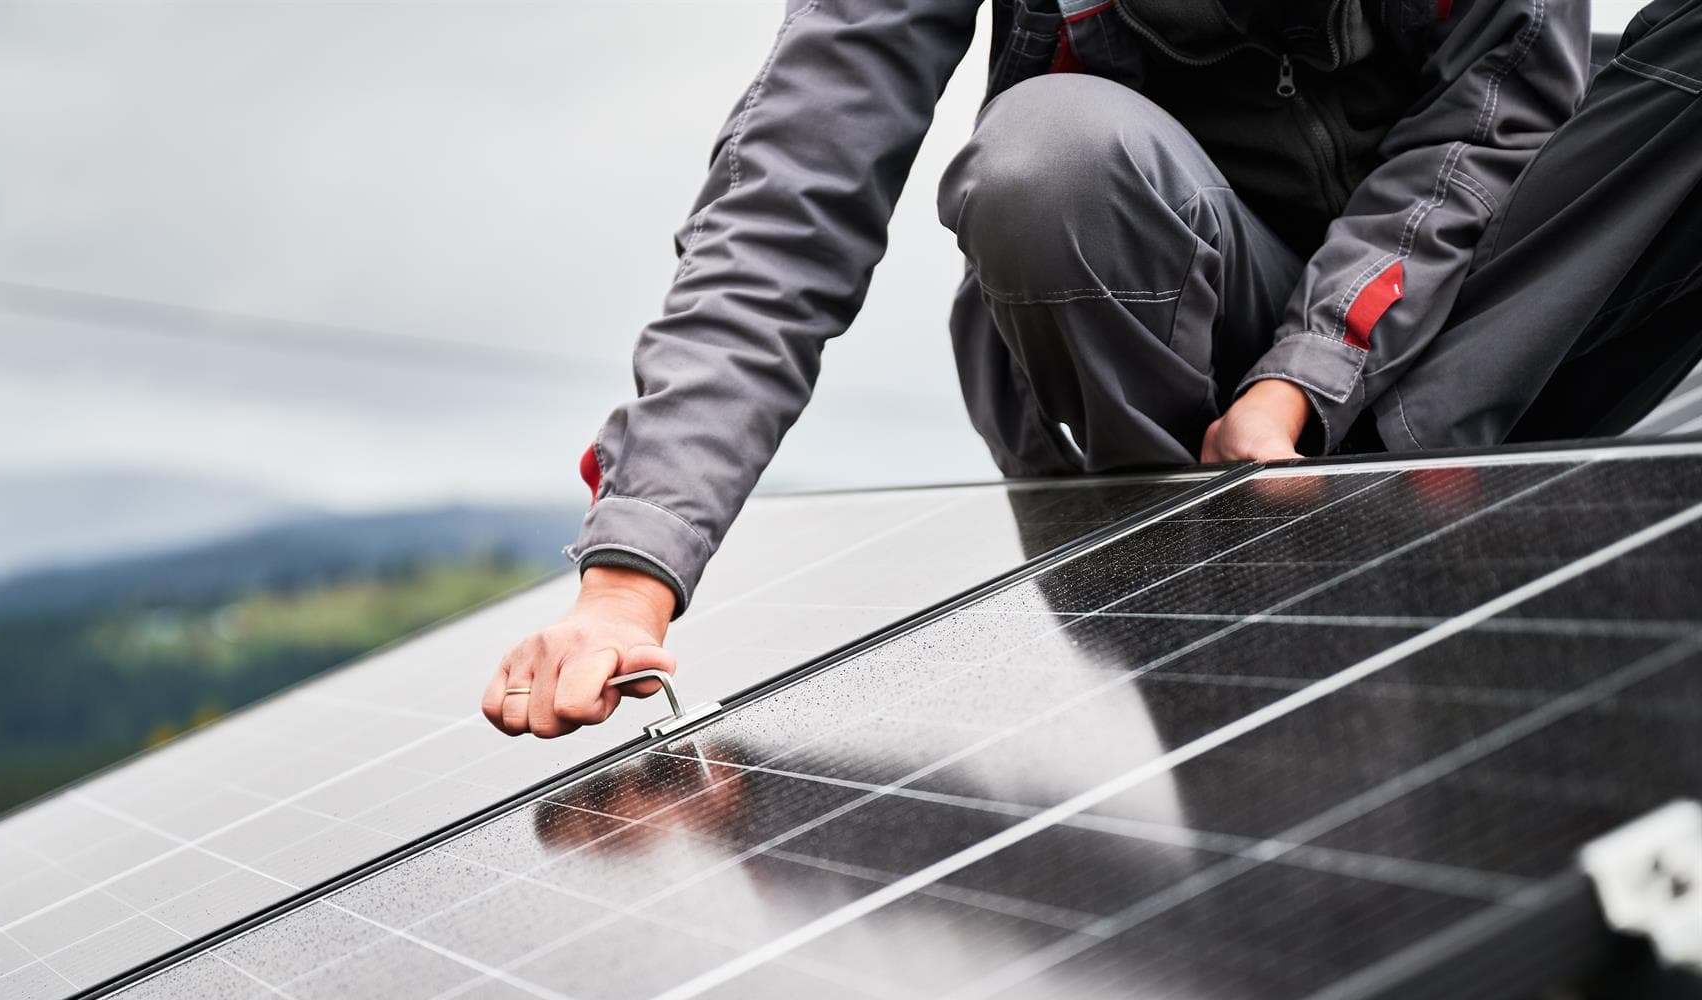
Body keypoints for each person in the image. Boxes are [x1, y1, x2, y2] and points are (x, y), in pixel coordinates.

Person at [483, 0, 1702, 739]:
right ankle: (1217, 609)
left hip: (1481, 317)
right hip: (1165, 371)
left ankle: (1379, 507)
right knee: (1048, 161)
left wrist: (1304, 384)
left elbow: (1496, 111)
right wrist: (629, 574)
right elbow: (782, 205)